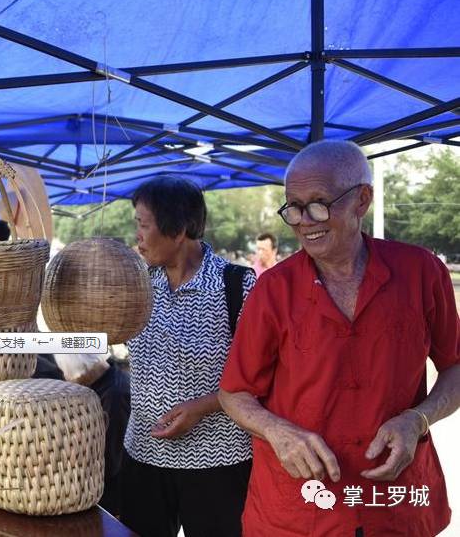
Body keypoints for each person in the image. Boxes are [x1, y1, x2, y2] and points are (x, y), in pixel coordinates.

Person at [219, 140, 460, 536]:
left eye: (318, 203)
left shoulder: (421, 272)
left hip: (395, 501)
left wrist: (418, 420)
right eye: (292, 207)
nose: (303, 221)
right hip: (299, 507)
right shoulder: (273, 289)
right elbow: (234, 393)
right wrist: (277, 432)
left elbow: (454, 367)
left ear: (362, 200)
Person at [120, 176, 255, 537]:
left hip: (218, 460)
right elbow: (99, 338)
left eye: (143, 225)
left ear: (178, 230)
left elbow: (260, 376)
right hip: (144, 454)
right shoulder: (137, 283)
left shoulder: (237, 286)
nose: (137, 235)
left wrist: (201, 406)